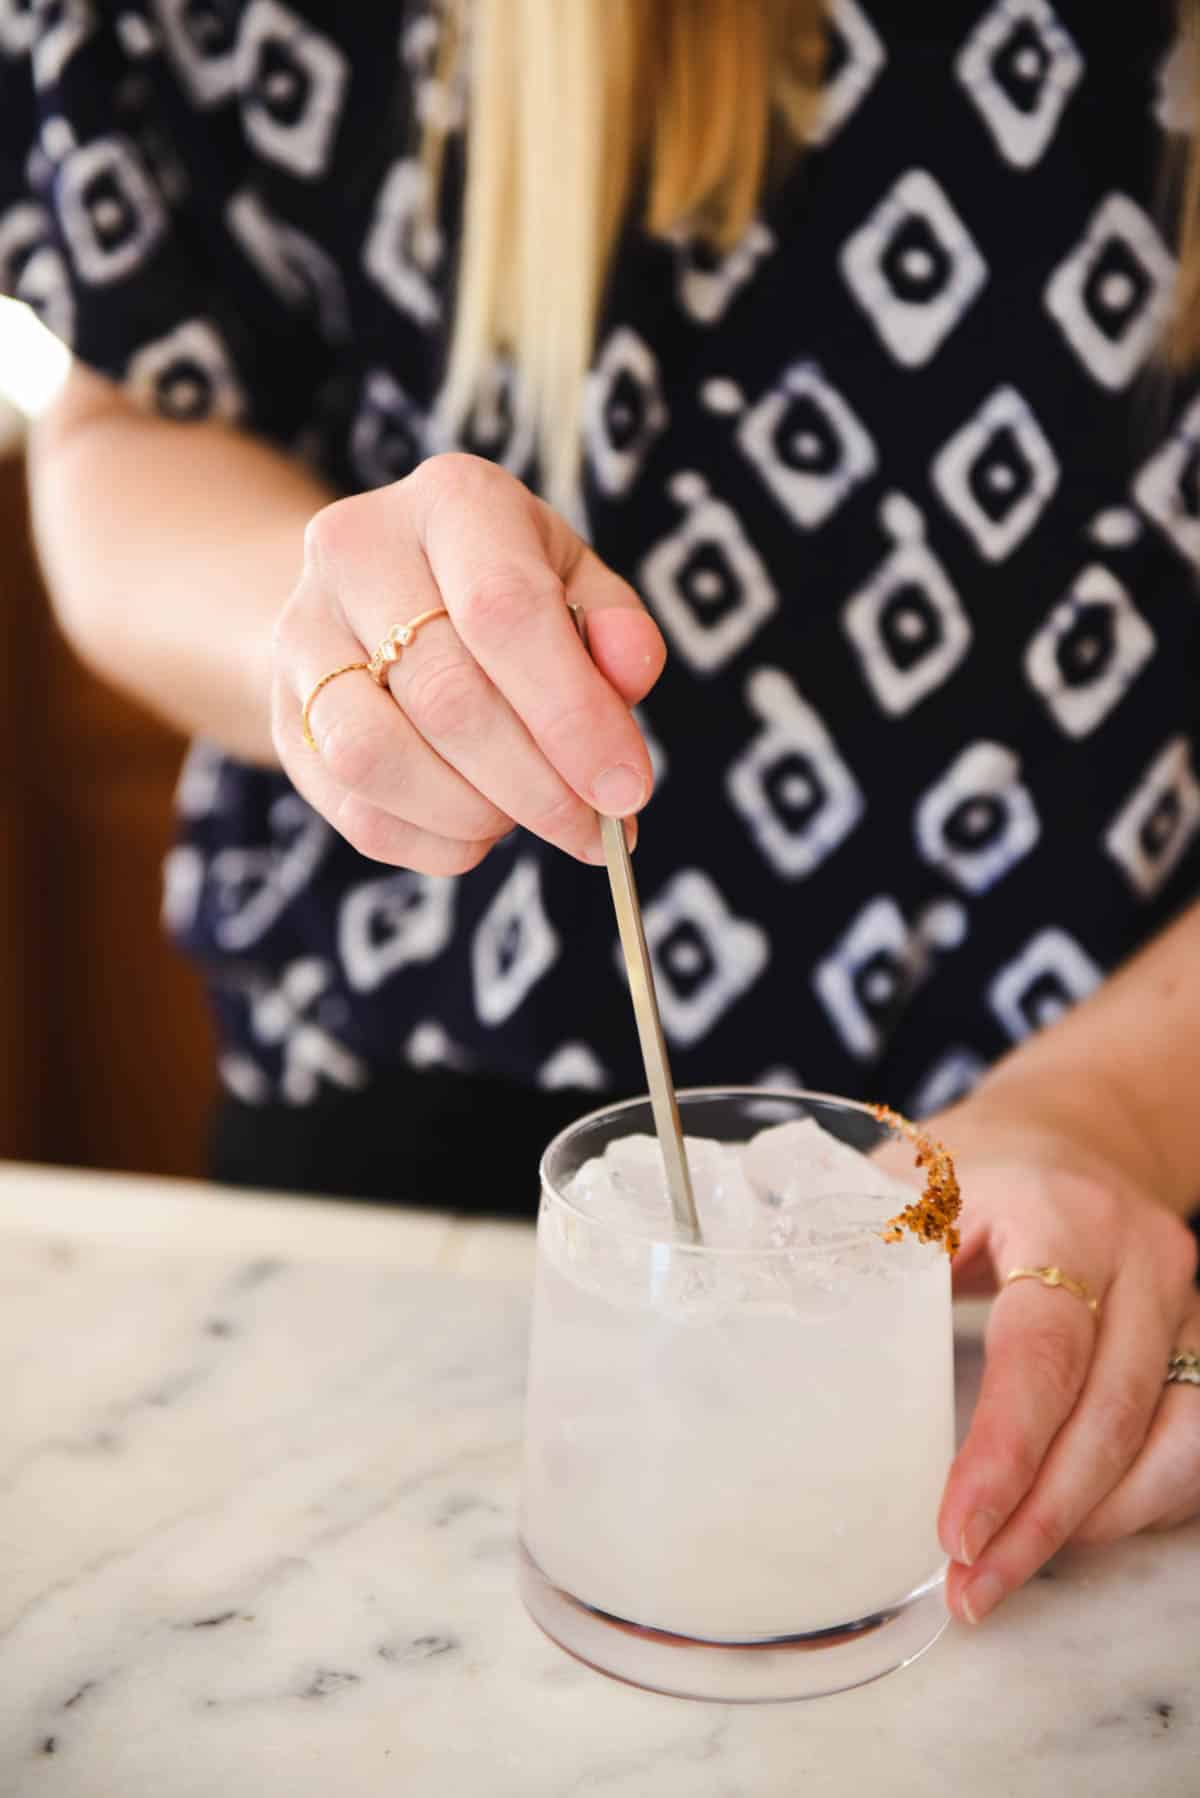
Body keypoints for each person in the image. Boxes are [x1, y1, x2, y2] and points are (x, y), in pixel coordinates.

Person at [2, 0, 1198, 1626]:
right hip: (419, 1166)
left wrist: (1111, 1111)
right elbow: (121, 430)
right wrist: (334, 641)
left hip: (1105, 1216)